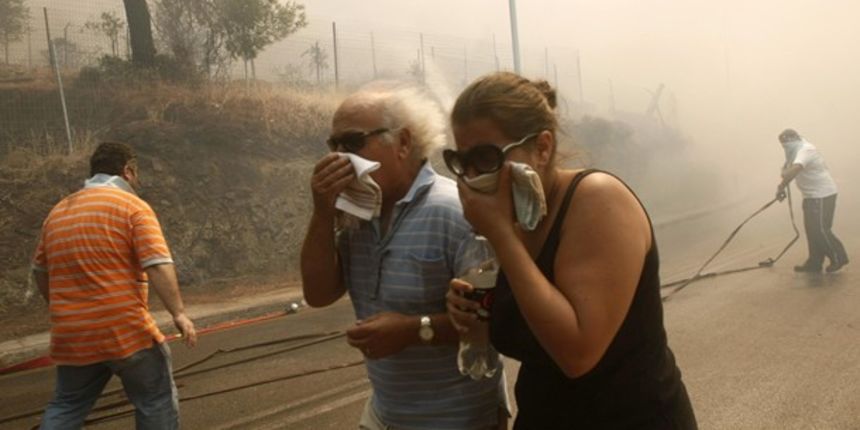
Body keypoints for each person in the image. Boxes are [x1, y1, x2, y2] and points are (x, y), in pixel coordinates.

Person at [445, 72, 697, 429]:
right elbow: (533, 324)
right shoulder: (519, 213)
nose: (471, 177)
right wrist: (476, 315)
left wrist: (500, 233)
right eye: (461, 162)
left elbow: (578, 353)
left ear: (542, 148)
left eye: (486, 158)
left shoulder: (598, 200)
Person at [300, 83, 507, 430]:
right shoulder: (357, 214)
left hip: (458, 419)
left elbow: (493, 320)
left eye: (352, 143)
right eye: (333, 146)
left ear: (404, 142)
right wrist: (323, 212)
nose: (340, 157)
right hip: (385, 415)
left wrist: (414, 330)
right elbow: (318, 294)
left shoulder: (455, 211)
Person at [32, 142, 197, 429]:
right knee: (154, 400)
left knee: (67, 405)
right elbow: (157, 264)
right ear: (128, 172)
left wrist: (65, 309)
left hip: (73, 335)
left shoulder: (58, 212)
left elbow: (40, 271)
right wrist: (179, 313)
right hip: (124, 331)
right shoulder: (132, 207)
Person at [775, 128, 849, 273]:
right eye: (782, 145)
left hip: (822, 194)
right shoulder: (793, 153)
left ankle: (838, 257)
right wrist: (782, 186)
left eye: (786, 144)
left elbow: (794, 170)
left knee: (820, 229)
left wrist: (782, 183)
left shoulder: (806, 150)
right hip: (810, 196)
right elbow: (787, 171)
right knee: (811, 230)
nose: (785, 147)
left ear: (794, 139)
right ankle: (814, 262)